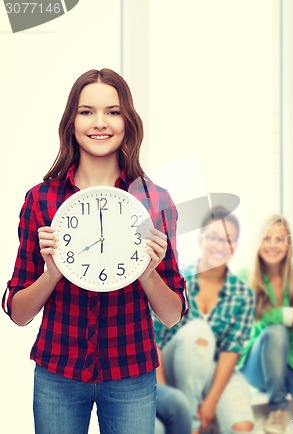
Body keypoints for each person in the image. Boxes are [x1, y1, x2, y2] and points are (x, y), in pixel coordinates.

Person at [2, 68, 189, 434]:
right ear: (71, 121)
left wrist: (148, 272)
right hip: (59, 371)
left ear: (127, 122)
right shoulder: (41, 200)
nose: (99, 122)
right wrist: (52, 272)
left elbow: (171, 315)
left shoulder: (154, 202)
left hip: (131, 374)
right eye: (87, 111)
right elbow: (18, 312)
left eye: (113, 111)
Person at [153, 206, 255, 434]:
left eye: (227, 240)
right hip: (171, 369)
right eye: (213, 237)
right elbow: (155, 343)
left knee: (242, 427)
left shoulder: (243, 294)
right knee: (198, 332)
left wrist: (210, 403)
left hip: (215, 373)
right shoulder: (177, 281)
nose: (219, 246)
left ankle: (201, 419)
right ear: (200, 240)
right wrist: (170, 399)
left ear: (235, 247)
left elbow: (231, 352)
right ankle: (192, 425)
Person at [238, 215, 293, 434]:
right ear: (258, 242)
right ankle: (278, 408)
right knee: (276, 332)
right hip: (258, 364)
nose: (272, 245)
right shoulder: (245, 277)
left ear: (288, 245)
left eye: (279, 239)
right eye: (266, 238)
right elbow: (263, 315)